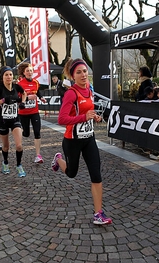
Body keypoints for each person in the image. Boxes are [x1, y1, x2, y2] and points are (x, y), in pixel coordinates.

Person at [50, 58, 112, 225]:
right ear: (72, 76)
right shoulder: (71, 93)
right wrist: (84, 117)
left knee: (96, 175)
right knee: (71, 173)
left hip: (89, 139)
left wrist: (94, 117)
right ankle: (58, 159)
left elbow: (88, 110)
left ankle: (98, 213)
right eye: (79, 72)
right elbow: (62, 119)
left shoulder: (89, 90)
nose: (83, 74)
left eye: (85, 71)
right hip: (73, 140)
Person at [0, 66, 28, 177]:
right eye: (6, 75)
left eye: (10, 74)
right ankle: (5, 162)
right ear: (2, 77)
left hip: (15, 119)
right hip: (3, 121)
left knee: (19, 146)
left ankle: (19, 165)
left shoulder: (16, 86)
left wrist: (23, 102)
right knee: (5, 147)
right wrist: (2, 100)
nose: (9, 77)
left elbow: (24, 93)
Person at [17, 63, 47, 163]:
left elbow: (37, 92)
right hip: (23, 113)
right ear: (24, 73)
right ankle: (19, 132)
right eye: (27, 71)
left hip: (34, 111)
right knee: (26, 133)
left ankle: (38, 155)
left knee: (37, 132)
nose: (29, 72)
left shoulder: (36, 82)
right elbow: (16, 98)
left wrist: (41, 98)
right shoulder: (20, 84)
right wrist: (27, 98)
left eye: (31, 70)